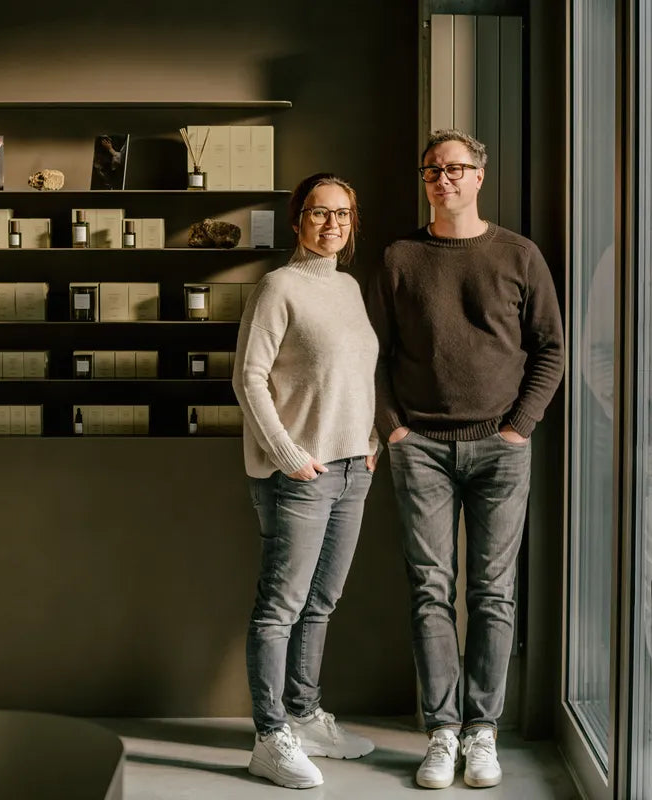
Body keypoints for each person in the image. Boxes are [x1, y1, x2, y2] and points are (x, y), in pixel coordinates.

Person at [368, 130, 564, 790]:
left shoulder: (518, 254)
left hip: (499, 449)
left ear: (480, 176)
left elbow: (551, 350)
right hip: (419, 447)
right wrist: (392, 428)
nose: (442, 179)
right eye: (432, 169)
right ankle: (442, 732)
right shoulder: (400, 256)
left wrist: (518, 428)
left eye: (455, 168)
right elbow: (375, 353)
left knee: (492, 592)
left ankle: (482, 731)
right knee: (430, 590)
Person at [232, 173, 379, 789]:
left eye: (342, 214)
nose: (332, 224)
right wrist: (289, 452)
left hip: (352, 469)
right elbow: (248, 377)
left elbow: (354, 375)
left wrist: (370, 443)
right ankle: (271, 735)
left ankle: (305, 711)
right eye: (319, 214)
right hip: (301, 473)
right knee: (281, 609)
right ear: (297, 222)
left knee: (322, 602)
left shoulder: (347, 286)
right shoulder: (278, 286)